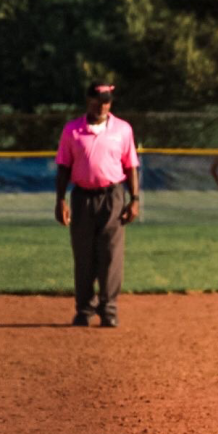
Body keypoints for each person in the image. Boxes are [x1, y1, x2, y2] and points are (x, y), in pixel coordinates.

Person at [55, 81, 140, 328]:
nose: (103, 105)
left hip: (113, 196)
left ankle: (109, 309)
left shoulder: (123, 129)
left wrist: (134, 199)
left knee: (110, 255)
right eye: (98, 100)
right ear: (88, 101)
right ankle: (84, 309)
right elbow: (63, 167)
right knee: (83, 255)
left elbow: (131, 166)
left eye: (107, 100)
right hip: (82, 197)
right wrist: (60, 200)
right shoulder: (72, 130)